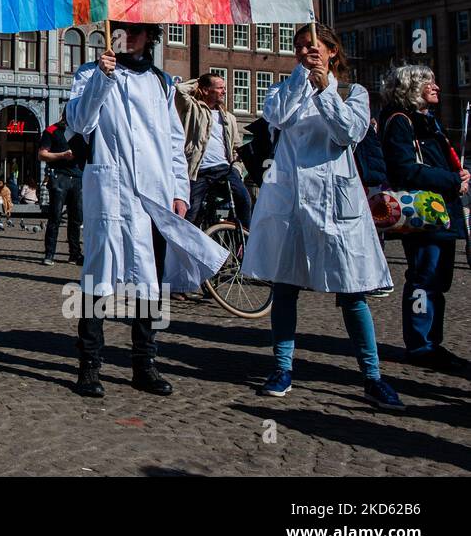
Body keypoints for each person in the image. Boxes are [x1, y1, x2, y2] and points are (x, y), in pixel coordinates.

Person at [243, 24, 404, 410]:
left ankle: (372, 376)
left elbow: (348, 132)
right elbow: (278, 117)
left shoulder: (354, 93)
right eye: (298, 48)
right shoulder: (285, 90)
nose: (304, 52)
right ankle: (282, 368)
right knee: (285, 287)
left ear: (332, 51)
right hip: (292, 200)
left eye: (312, 47)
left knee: (352, 292)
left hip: (337, 203)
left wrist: (325, 89)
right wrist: (302, 80)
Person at [64, 22, 227, 399]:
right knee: (97, 278)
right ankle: (89, 366)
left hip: (153, 196)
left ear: (149, 36)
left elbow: (174, 143)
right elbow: (79, 122)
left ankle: (145, 363)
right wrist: (101, 80)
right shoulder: (89, 73)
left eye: (138, 30)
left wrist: (180, 190)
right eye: (122, 29)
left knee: (149, 282)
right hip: (110, 191)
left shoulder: (162, 82)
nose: (129, 36)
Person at [380, 64, 470, 373]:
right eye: (428, 82)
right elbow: (404, 169)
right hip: (423, 216)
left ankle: (432, 340)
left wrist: (458, 175)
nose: (436, 86)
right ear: (411, 88)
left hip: (441, 214)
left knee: (438, 279)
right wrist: (449, 179)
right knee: (423, 277)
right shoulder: (401, 122)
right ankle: (420, 344)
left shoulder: (428, 122)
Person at [175, 73, 253, 231]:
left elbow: (236, 146)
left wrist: (237, 169)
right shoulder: (193, 108)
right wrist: (198, 82)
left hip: (224, 168)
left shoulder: (228, 117)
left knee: (244, 199)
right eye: (219, 88)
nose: (224, 91)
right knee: (191, 213)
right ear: (205, 90)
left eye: (224, 88)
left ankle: (243, 240)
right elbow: (179, 91)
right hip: (198, 171)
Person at [38, 116, 87, 265]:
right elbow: (42, 154)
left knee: (76, 218)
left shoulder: (83, 131)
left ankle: (75, 254)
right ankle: (49, 254)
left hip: (78, 177)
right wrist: (62, 155)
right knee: (55, 216)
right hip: (59, 176)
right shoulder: (52, 130)